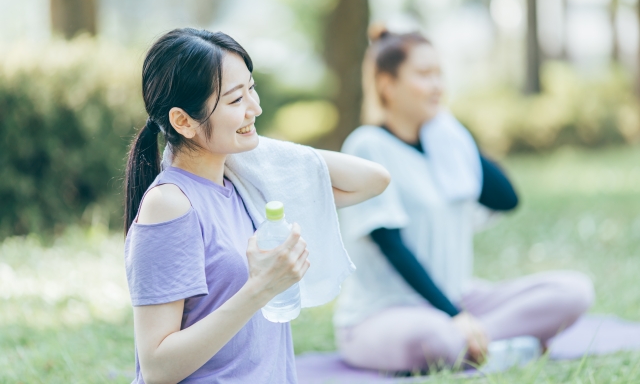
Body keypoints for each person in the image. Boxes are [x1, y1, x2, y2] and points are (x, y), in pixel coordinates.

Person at [123, 28, 390, 384]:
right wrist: (261, 289)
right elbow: (157, 367)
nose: (256, 107)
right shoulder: (169, 204)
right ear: (183, 121)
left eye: (251, 88)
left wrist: (254, 145)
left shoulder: (246, 187)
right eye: (235, 100)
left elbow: (373, 179)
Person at [333, 26, 594, 373]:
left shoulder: (444, 143)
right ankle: (497, 345)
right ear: (387, 84)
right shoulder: (367, 146)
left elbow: (506, 198)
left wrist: (451, 130)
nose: (438, 85)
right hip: (383, 315)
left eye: (440, 74)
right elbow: (392, 246)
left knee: (574, 292)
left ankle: (477, 343)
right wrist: (455, 316)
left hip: (457, 300)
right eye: (424, 75)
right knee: (434, 340)